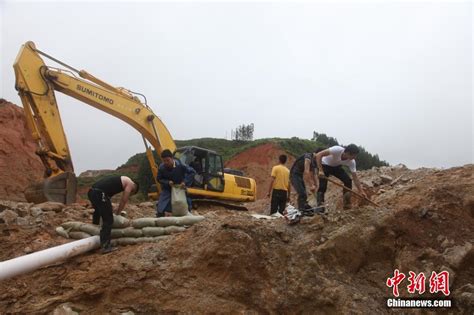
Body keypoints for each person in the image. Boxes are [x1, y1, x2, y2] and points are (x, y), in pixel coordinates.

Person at [87, 175, 139, 253]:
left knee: (97, 212)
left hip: (91, 192)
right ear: (135, 187)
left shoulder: (122, 179)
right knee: (108, 219)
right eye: (132, 192)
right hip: (100, 193)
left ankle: (94, 233)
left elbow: (107, 196)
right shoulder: (130, 184)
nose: (131, 192)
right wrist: (118, 213)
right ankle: (105, 246)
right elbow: (123, 200)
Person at [315, 144, 367, 210]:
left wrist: (361, 191)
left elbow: (355, 178)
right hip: (324, 165)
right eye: (354, 155)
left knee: (348, 181)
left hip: (336, 167)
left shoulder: (352, 162)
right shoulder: (336, 150)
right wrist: (320, 170)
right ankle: (320, 206)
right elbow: (319, 155)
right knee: (323, 186)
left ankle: (347, 204)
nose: (355, 157)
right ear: (348, 153)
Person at [156, 149, 196, 217]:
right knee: (161, 208)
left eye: (167, 160)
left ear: (172, 158)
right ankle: (166, 214)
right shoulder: (161, 167)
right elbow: (159, 179)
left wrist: (184, 182)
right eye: (164, 161)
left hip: (180, 187)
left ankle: (186, 213)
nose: (166, 162)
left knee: (185, 204)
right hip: (167, 188)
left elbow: (192, 172)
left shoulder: (181, 165)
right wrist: (167, 182)